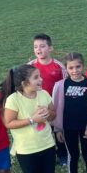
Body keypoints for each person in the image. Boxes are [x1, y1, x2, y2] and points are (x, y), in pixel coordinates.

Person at [2, 65, 71, 173]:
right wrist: (32, 119)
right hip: (26, 149)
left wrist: (48, 114)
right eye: (36, 77)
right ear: (24, 83)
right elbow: (9, 123)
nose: (41, 79)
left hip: (47, 145)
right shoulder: (14, 99)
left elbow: (53, 114)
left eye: (39, 76)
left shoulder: (44, 94)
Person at [52, 52, 87, 173]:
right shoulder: (60, 85)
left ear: (83, 66)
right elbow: (55, 108)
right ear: (66, 69)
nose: (75, 70)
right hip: (68, 128)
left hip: (86, 128)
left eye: (78, 66)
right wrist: (58, 129)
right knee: (72, 155)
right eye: (71, 68)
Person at [28, 33, 68, 165]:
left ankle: (63, 154)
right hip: (37, 105)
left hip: (55, 105)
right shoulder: (30, 66)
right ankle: (46, 156)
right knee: (42, 130)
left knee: (58, 129)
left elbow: (65, 85)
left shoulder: (59, 66)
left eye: (42, 46)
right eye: (35, 47)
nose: (38, 49)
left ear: (50, 48)